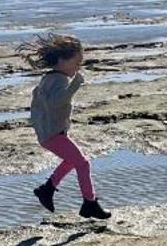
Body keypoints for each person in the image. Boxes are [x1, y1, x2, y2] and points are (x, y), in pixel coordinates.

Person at [26, 32, 112, 220]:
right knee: (83, 164)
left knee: (72, 161)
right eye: (76, 62)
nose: (78, 67)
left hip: (50, 133)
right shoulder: (59, 80)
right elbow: (58, 101)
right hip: (52, 135)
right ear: (62, 60)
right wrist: (76, 84)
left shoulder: (49, 78)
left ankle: (47, 189)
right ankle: (89, 203)